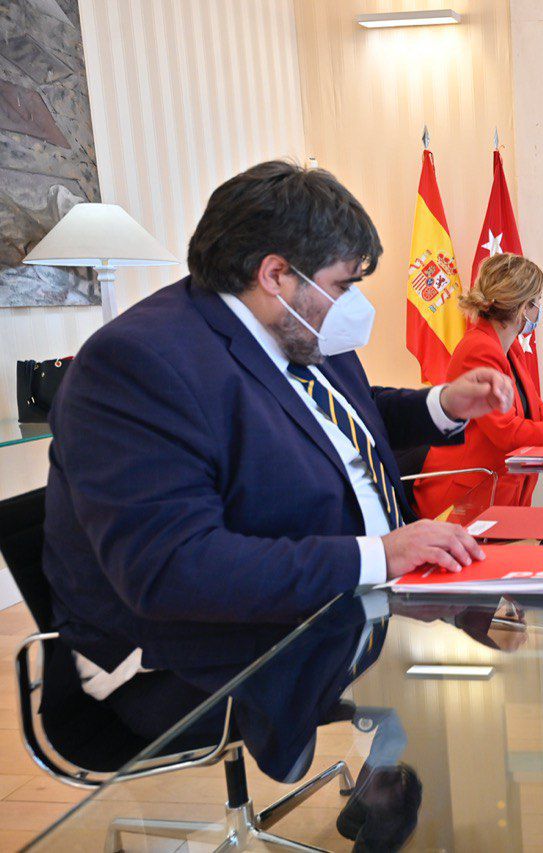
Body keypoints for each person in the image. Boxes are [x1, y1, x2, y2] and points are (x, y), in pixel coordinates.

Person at [42, 160, 514, 745]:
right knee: (462, 707)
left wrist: (444, 404)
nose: (351, 303)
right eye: (344, 284)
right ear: (275, 275)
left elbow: (349, 412)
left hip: (362, 594)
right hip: (214, 653)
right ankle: (394, 784)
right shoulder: (137, 366)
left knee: (514, 658)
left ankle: (393, 777)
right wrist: (376, 557)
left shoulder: (300, 327)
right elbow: (174, 569)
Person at [415, 253, 543, 518]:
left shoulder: (505, 346)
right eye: (538, 302)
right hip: (466, 496)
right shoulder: (479, 350)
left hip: (499, 488)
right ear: (524, 306)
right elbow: (509, 433)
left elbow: (534, 409)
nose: (539, 310)